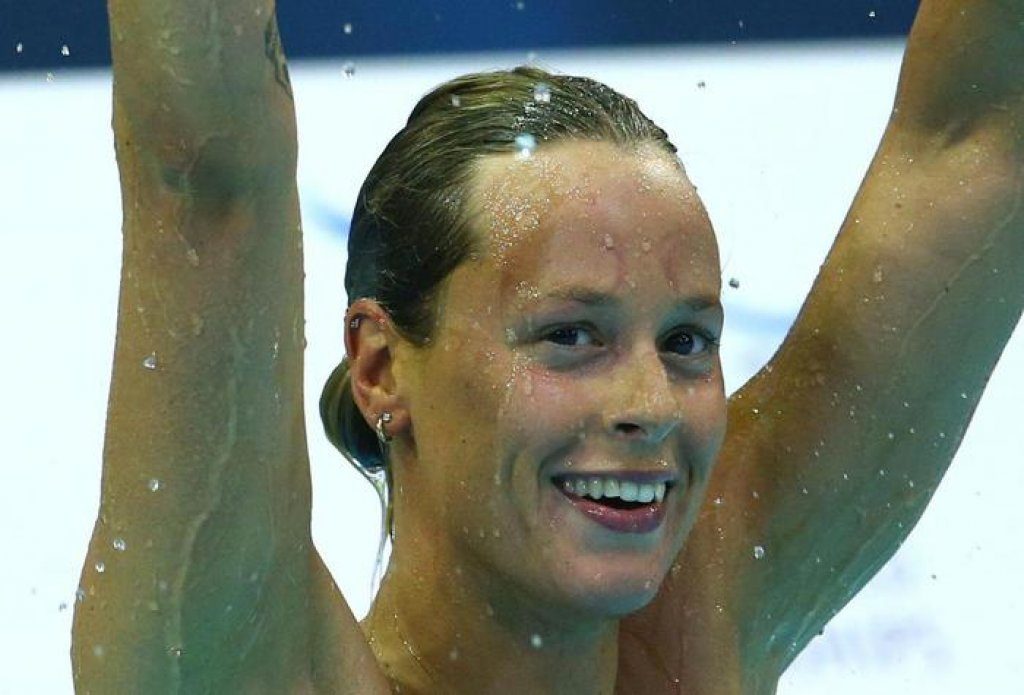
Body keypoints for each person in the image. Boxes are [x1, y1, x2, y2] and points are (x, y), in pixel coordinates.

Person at [72, 1, 1023, 693]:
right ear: (379, 365)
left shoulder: (706, 621)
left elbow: (985, 134)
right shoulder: (230, 667)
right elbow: (204, 180)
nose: (650, 402)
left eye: (687, 340)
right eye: (571, 336)